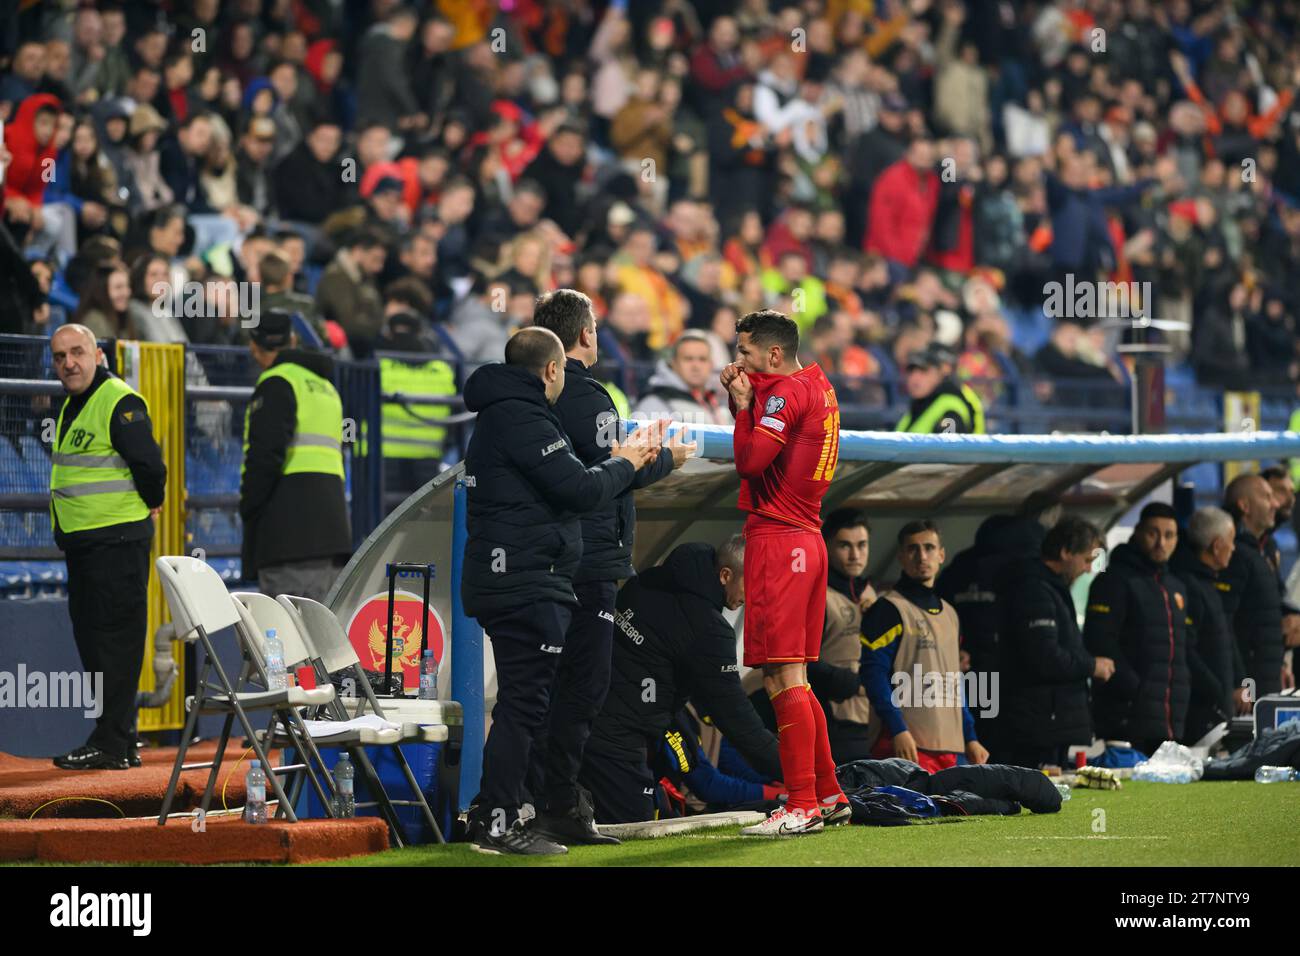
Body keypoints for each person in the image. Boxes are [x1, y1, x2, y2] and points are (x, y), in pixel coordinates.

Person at [460, 326, 661, 855]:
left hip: (520, 578)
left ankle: (511, 813)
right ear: (553, 369)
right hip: (524, 581)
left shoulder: (505, 411)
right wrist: (632, 461)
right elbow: (579, 488)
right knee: (525, 706)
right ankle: (499, 822)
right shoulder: (522, 415)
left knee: (524, 704)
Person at [527, 288, 693, 846]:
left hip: (548, 560)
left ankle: (537, 801)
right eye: (595, 325)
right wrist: (666, 458)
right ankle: (557, 804)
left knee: (546, 684)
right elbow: (607, 478)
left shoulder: (534, 394)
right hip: (588, 562)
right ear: (585, 334)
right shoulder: (587, 395)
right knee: (583, 686)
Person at [719, 308, 850, 836]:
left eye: (746, 352)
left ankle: (801, 805)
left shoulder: (781, 395)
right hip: (808, 539)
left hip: (779, 539)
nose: (738, 362)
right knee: (794, 675)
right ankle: (829, 793)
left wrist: (744, 405)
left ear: (774, 354)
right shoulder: (818, 385)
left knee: (779, 675)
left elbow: (750, 461)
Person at [581, 538, 783, 823]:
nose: (754, 596)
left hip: (579, 720)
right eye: (752, 584)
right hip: (618, 742)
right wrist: (798, 773)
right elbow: (739, 723)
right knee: (635, 833)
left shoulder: (648, 580)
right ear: (725, 575)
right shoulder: (709, 629)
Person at [49, 324, 166, 770]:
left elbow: (150, 465)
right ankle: (116, 738)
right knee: (97, 643)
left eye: (77, 352)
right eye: (60, 357)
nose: (68, 363)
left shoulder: (117, 400)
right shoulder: (76, 404)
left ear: (97, 354)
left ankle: (114, 742)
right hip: (89, 546)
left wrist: (151, 502)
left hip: (115, 542)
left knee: (113, 644)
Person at [239, 309, 352, 602]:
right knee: (321, 634)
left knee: (290, 636)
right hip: (332, 531)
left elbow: (265, 456)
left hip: (289, 534)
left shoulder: (276, 382)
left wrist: (248, 507)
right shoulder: (327, 387)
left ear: (254, 346)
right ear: (292, 339)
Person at [860, 520, 989, 773]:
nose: (922, 556)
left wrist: (970, 735)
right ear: (900, 557)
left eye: (929, 548)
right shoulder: (887, 610)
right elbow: (873, 675)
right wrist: (898, 729)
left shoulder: (951, 614)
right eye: (913, 549)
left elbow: (954, 682)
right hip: (903, 743)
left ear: (941, 555)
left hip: (950, 746)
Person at [993, 517, 1113, 768]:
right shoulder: (1035, 590)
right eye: (1087, 560)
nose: (1089, 569)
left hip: (1049, 721)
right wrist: (1091, 666)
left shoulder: (1050, 588)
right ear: (1066, 552)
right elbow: (1045, 657)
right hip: (1038, 723)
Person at [1083, 503, 1191, 755]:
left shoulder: (1176, 586)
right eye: (1154, 533)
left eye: (1169, 535)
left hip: (1170, 716)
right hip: (1127, 713)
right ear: (1138, 532)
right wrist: (1136, 688)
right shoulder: (1114, 580)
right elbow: (1099, 640)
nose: (1161, 543)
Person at [807, 508, 877, 763]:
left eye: (862, 545)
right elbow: (799, 659)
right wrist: (847, 682)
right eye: (845, 546)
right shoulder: (817, 595)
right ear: (826, 546)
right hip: (835, 721)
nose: (855, 555)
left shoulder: (869, 592)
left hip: (872, 717)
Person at [1170, 507, 1238, 742]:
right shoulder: (1191, 585)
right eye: (1231, 541)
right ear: (1217, 545)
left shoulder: (1205, 583)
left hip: (1211, 705)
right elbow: (1186, 648)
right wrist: (1217, 690)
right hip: (1200, 710)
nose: (1234, 548)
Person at [1220, 474, 1289, 701]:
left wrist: (1279, 664)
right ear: (1245, 505)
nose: (1276, 504)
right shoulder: (1236, 556)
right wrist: (1240, 682)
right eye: (1267, 497)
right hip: (1249, 686)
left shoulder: (1261, 551)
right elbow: (1224, 622)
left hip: (1266, 679)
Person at [632, 329, 733, 426]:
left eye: (702, 359)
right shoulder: (653, 404)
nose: (696, 366)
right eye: (688, 359)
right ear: (673, 363)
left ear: (711, 364)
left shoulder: (719, 402)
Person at [896, 345, 985, 434]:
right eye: (911, 372)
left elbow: (950, 446)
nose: (915, 378)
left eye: (924, 371)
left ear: (938, 375)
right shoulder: (918, 406)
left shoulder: (950, 409)